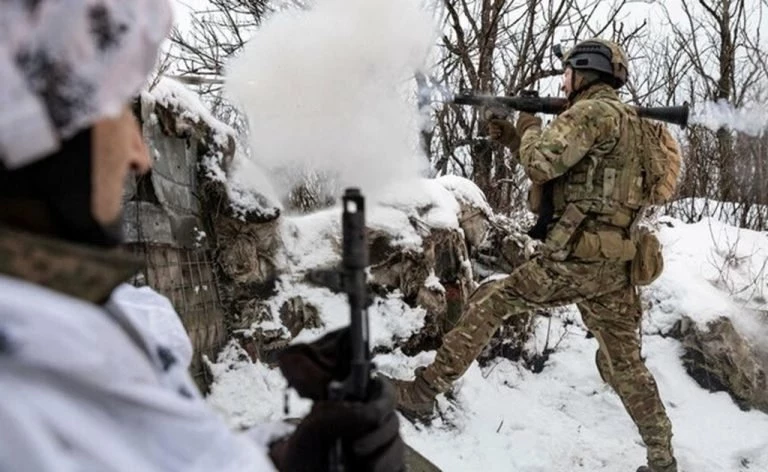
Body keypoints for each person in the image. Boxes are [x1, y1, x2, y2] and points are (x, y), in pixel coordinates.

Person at [0, 2, 404, 471]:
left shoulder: (79, 325)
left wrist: (282, 456)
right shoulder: (23, 389)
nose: (140, 155)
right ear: (37, 126)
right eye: (119, 110)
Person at [391, 39, 680, 472]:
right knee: (627, 365)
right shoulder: (634, 123)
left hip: (574, 262)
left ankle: (422, 392)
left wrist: (527, 125)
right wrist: (514, 137)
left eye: (568, 73)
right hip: (617, 264)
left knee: (492, 302)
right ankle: (663, 460)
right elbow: (582, 175)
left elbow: (542, 164)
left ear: (585, 72)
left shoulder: (592, 112)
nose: (563, 83)